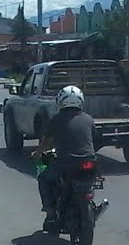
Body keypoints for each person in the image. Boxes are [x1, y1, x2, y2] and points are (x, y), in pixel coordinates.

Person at [32, 85, 95, 230]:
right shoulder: (89, 119)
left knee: (44, 178)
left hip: (66, 164)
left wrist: (37, 154)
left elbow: (46, 142)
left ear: (61, 101)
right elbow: (93, 138)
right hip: (90, 162)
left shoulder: (57, 119)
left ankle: (51, 212)